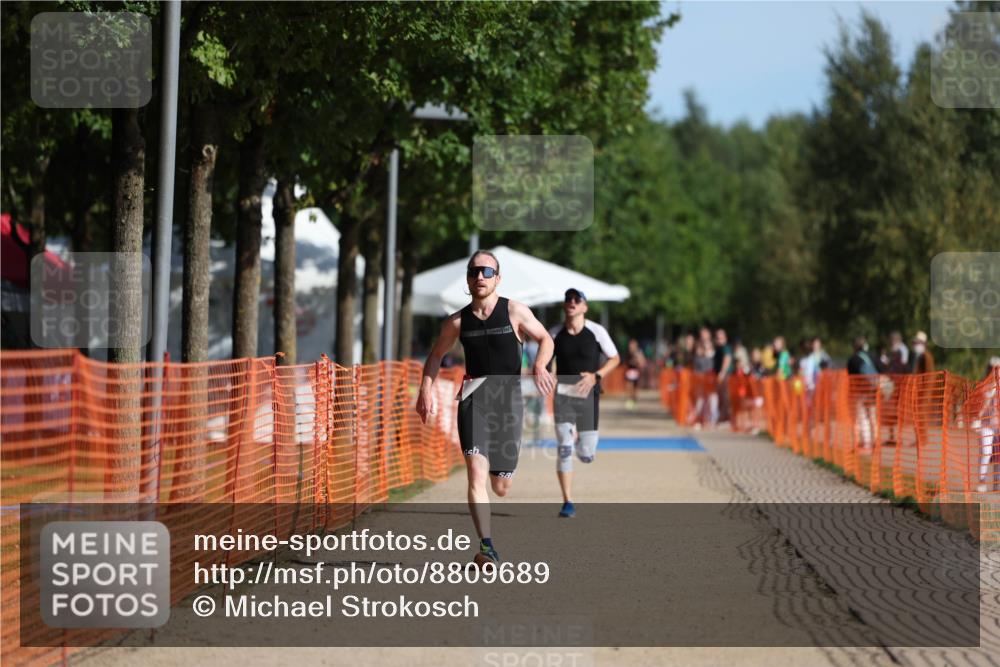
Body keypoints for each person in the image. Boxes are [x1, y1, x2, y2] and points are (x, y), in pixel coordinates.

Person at [416, 250, 555, 567]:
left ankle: (501, 479)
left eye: (487, 272)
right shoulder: (456, 322)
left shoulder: (515, 311)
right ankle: (487, 547)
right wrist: (425, 389)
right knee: (476, 475)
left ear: (498, 278)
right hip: (474, 398)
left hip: (508, 402)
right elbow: (436, 356)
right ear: (468, 279)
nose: (480, 276)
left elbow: (546, 339)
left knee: (500, 486)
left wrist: (540, 365)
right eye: (474, 271)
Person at [548, 288, 620, 518]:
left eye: (577, 299)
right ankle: (567, 501)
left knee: (587, 455)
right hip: (563, 395)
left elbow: (615, 358)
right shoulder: (554, 333)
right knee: (564, 447)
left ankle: (581, 442)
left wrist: (596, 376)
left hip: (589, 395)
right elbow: (544, 362)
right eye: (568, 299)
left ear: (584, 307)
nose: (572, 302)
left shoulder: (596, 331)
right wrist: (545, 374)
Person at [846, 336, 882, 452]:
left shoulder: (853, 359)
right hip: (873, 390)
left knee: (862, 417)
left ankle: (866, 443)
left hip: (860, 392)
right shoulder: (872, 356)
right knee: (873, 416)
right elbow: (881, 369)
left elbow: (850, 377)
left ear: (854, 347)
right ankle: (876, 441)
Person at [624, 339, 646, 410]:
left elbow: (642, 362)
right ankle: (630, 400)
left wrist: (637, 361)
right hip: (629, 371)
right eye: (631, 345)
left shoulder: (639, 353)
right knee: (629, 386)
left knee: (635, 388)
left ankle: (634, 400)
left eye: (633, 345)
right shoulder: (628, 352)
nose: (631, 346)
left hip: (636, 372)